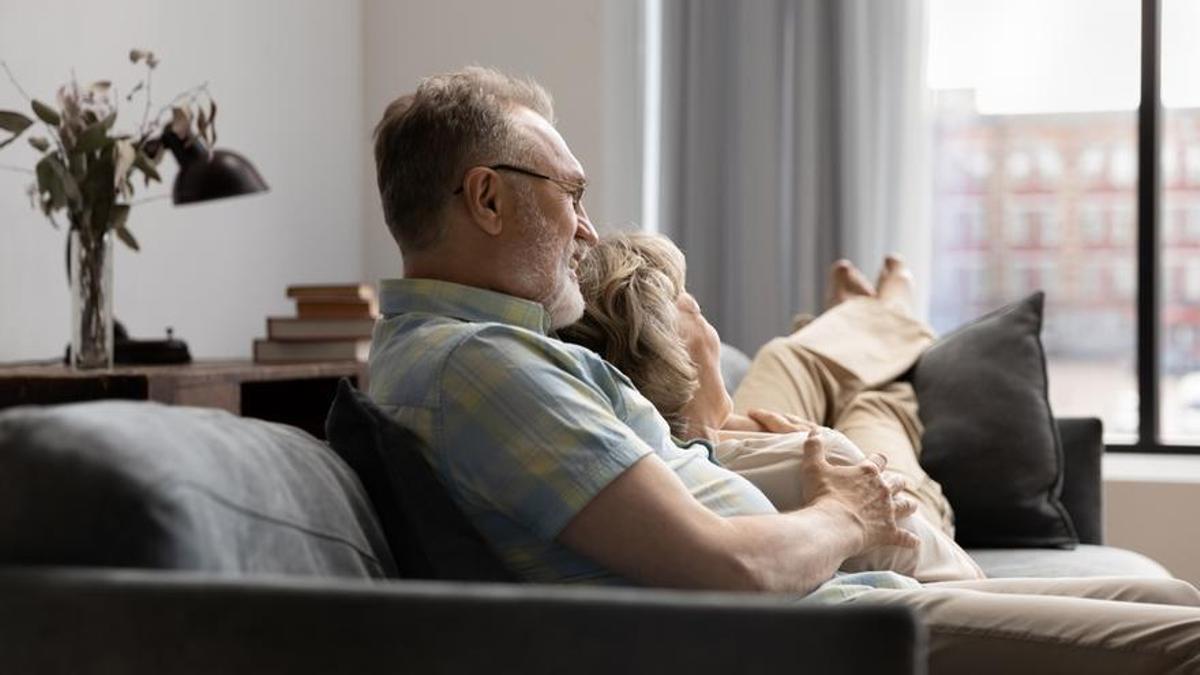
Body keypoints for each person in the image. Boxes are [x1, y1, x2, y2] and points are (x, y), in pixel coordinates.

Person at [368, 66, 1200, 672]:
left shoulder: (484, 355)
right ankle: (881, 313)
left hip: (837, 602)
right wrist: (847, 514)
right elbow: (729, 568)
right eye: (571, 193)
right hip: (812, 633)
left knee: (1173, 603)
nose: (586, 230)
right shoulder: (478, 367)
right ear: (487, 199)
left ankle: (877, 315)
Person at [557, 231, 985, 582]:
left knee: (787, 357)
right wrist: (803, 442)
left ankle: (871, 319)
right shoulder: (807, 459)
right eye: (692, 304)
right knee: (876, 403)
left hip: (711, 426)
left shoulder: (621, 426)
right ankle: (885, 317)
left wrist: (723, 428)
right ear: (677, 349)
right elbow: (964, 580)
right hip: (875, 503)